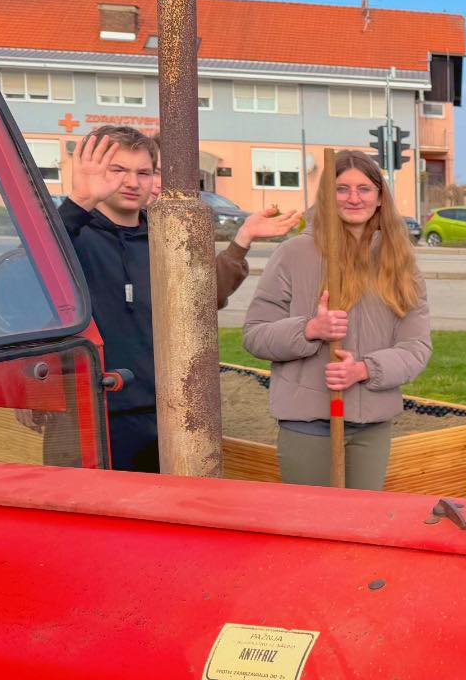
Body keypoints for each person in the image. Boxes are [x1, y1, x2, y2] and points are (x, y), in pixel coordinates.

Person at [57, 127, 298, 471]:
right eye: (118, 170)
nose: (132, 182)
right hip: (89, 414)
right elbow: (30, 278)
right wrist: (80, 202)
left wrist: (242, 239)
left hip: (164, 412)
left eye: (144, 172)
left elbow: (202, 298)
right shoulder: (70, 235)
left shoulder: (165, 237)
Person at [242, 150, 429, 489]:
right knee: (310, 518)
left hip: (372, 425)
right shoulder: (294, 254)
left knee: (362, 517)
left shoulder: (400, 260)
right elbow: (255, 335)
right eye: (342, 189)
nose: (354, 198)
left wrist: (365, 369)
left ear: (380, 198)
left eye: (364, 189)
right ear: (328, 196)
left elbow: (416, 347)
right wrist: (309, 329)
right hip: (308, 423)